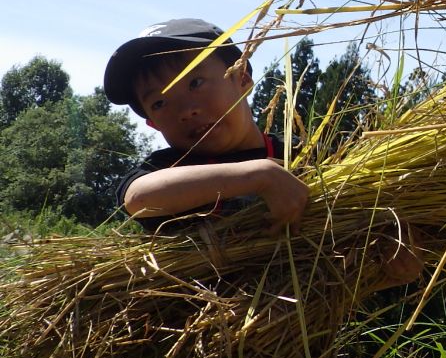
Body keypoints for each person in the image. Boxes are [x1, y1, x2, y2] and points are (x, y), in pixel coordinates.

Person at [104, 18, 422, 283]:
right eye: (159, 103)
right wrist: (261, 175)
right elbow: (140, 199)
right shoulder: (171, 168)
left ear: (242, 79)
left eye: (195, 83)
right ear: (153, 124)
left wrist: (391, 275)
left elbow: (348, 256)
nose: (185, 110)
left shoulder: (310, 159)